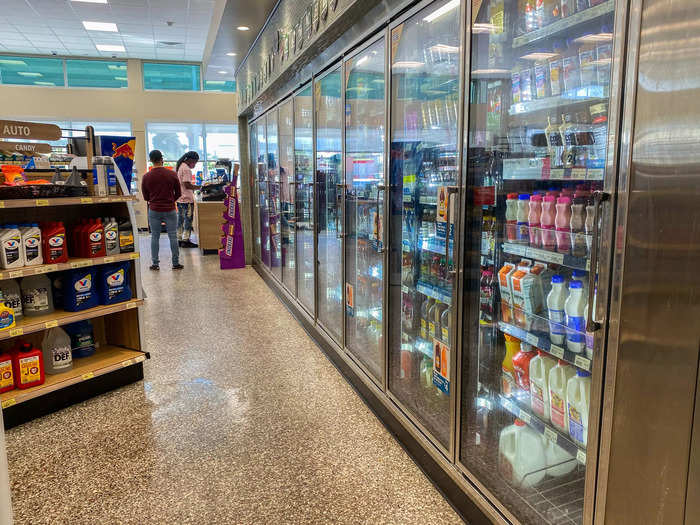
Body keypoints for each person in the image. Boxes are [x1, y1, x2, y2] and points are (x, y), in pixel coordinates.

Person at [141, 150, 183, 271]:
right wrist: (170, 200)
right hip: (170, 209)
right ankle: (175, 263)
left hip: (154, 209)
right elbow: (178, 193)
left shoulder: (146, 176)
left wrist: (154, 200)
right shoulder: (172, 174)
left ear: (151, 160)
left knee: (155, 236)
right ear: (162, 159)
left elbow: (145, 197)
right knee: (173, 236)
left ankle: (155, 264)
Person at [176, 151, 201, 248]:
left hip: (180, 198)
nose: (195, 164)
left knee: (181, 220)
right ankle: (185, 240)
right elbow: (187, 185)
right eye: (195, 162)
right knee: (188, 220)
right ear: (190, 160)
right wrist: (199, 187)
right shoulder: (186, 169)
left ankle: (179, 239)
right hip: (187, 199)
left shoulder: (180, 166)